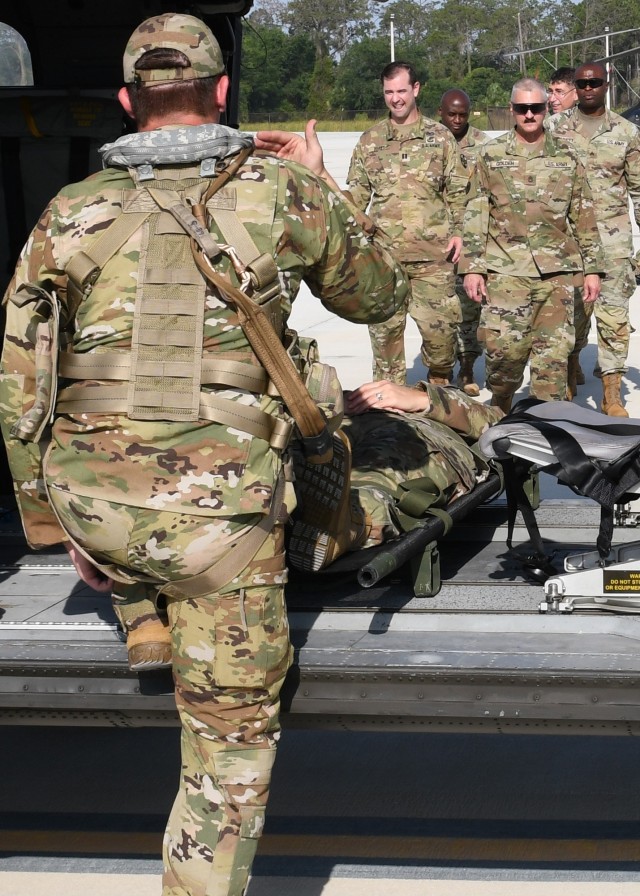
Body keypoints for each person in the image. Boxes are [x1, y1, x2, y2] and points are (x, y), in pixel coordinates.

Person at [0, 13, 408, 896]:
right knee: (227, 758)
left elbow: (19, 379)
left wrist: (49, 521)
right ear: (223, 93)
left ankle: (140, 610)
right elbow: (381, 297)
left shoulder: (68, 211)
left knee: (128, 502)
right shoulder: (280, 191)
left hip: (97, 513)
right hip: (217, 534)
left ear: (124, 101)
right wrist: (324, 188)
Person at [459, 77, 604, 413]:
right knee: (504, 361)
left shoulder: (567, 156)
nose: (529, 115)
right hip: (506, 273)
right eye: (522, 108)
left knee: (552, 363)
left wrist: (593, 269)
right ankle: (501, 414)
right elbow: (475, 213)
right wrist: (472, 267)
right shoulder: (490, 155)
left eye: (536, 108)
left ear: (545, 109)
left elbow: (583, 214)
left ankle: (545, 435)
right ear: (512, 110)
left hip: (557, 277)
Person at [346, 61, 468, 386]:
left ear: (416, 89)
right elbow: (355, 198)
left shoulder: (440, 137)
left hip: (434, 259)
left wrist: (460, 233)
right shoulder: (369, 141)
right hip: (384, 259)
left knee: (441, 338)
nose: (395, 99)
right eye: (389, 92)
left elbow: (458, 191)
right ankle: (390, 415)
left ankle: (440, 384)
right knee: (385, 341)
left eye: (401, 90)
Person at [547, 61, 640, 417]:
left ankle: (612, 394)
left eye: (594, 82)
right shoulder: (554, 128)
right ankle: (570, 371)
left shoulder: (627, 132)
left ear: (606, 84)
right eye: (582, 83)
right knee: (570, 317)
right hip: (567, 244)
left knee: (615, 318)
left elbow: (639, 191)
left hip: (613, 245)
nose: (588, 88)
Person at [438, 88, 490, 397]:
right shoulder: (429, 141)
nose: (457, 120)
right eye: (451, 114)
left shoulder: (483, 145)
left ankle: (468, 366)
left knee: (470, 308)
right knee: (439, 310)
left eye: (462, 115)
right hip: (436, 239)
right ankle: (440, 369)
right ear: (440, 113)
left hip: (470, 238)